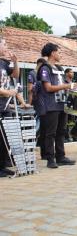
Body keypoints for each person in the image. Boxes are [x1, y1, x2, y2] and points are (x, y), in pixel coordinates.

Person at [36, 43, 77, 168]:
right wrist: (66, 86)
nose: (60, 55)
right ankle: (50, 159)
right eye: (59, 52)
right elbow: (48, 88)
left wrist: (72, 87)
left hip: (61, 104)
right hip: (50, 105)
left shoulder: (59, 68)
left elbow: (63, 85)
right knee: (51, 133)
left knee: (61, 132)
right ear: (53, 53)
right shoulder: (45, 68)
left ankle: (61, 156)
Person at [0, 41, 20, 177]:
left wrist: (15, 62)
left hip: (4, 105)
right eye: (4, 45)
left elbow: (15, 75)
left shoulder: (3, 63)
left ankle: (2, 166)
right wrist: (9, 93)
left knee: (4, 139)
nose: (7, 47)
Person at [27, 57, 46, 158]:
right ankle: (30, 150)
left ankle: (43, 153)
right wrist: (29, 105)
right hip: (36, 105)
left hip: (43, 105)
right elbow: (30, 90)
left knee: (43, 130)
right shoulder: (32, 74)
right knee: (36, 129)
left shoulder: (41, 75)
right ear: (39, 64)